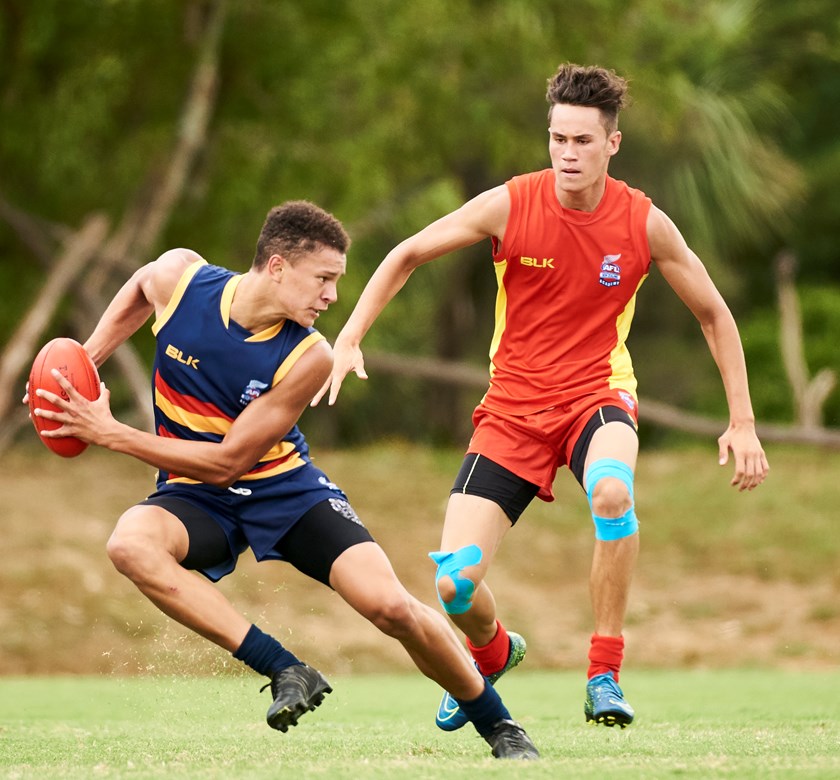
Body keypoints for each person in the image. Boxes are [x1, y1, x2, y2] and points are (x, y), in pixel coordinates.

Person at [314, 64, 770, 731]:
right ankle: (493, 652)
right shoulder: (511, 204)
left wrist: (744, 421)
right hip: (511, 414)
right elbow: (407, 252)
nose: (566, 153)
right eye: (558, 138)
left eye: (583, 141)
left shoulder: (644, 224)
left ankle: (604, 673)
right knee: (453, 586)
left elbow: (714, 313)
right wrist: (350, 336)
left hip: (598, 396)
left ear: (612, 144)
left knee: (613, 491)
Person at [30, 200, 539, 760]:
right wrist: (87, 364)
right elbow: (138, 287)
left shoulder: (308, 355)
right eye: (323, 279)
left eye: (336, 282)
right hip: (194, 497)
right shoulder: (180, 279)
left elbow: (229, 461)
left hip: (285, 490)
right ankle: (284, 668)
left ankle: (499, 726)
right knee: (129, 544)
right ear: (276, 266)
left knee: (390, 606)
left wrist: (108, 430)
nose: (332, 296)